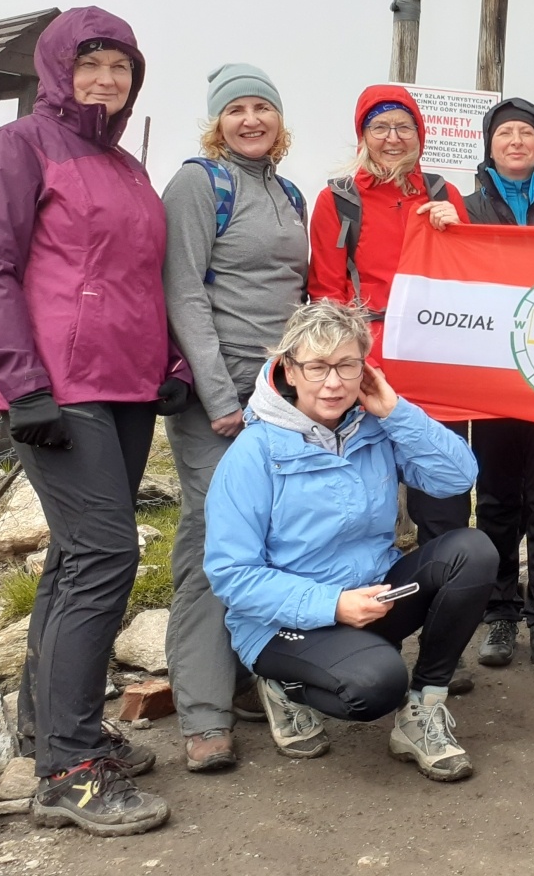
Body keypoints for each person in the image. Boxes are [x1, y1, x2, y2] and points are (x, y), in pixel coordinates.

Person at [0, 7, 189, 837]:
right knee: (104, 556)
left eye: (119, 67)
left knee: (74, 559)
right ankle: (70, 772)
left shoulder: (124, 165)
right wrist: (23, 387)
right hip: (57, 385)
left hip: (123, 385)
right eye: (89, 64)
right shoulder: (16, 148)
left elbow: (138, 278)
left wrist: (169, 365)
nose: (105, 79)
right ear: (58, 68)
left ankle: (54, 730)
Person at [202, 300, 497, 782]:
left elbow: (457, 477)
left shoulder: (374, 428)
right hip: (281, 625)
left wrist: (397, 412)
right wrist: (333, 604)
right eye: (317, 367)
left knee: (473, 551)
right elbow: (231, 576)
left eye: (346, 365)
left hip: (372, 598)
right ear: (289, 370)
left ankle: (423, 710)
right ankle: (283, 685)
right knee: (376, 685)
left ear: (365, 368)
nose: (333, 382)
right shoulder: (253, 453)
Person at [160, 64, 309, 772]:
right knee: (213, 544)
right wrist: (222, 398)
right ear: (216, 121)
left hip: (283, 400)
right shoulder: (199, 183)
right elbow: (184, 293)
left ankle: (250, 681)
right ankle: (203, 714)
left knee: (271, 542)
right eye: (237, 109)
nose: (251, 119)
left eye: (263, 108)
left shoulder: (287, 192)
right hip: (217, 403)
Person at [307, 86, 472, 546]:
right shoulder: (337, 200)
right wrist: (345, 365)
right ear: (363, 136)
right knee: (364, 491)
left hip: (434, 361)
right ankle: (366, 601)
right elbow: (326, 291)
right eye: (379, 127)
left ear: (420, 134)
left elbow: (469, 281)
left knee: (442, 491)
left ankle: (446, 595)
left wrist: (458, 231)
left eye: (404, 126)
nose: (392, 138)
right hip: (367, 363)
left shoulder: (445, 194)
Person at [464, 98, 534, 682]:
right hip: (495, 376)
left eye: (527, 134)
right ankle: (501, 610)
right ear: (489, 144)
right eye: (505, 132)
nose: (516, 141)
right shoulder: (464, 207)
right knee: (499, 499)